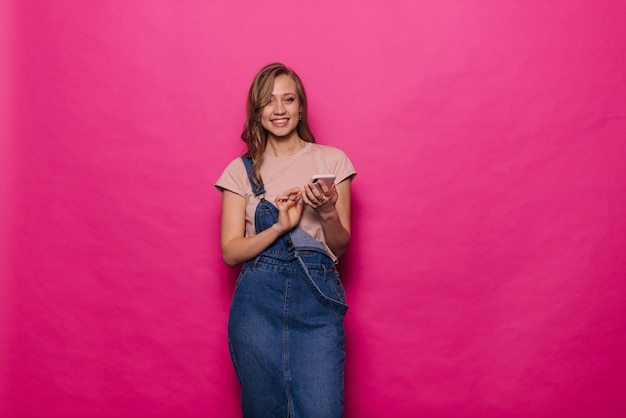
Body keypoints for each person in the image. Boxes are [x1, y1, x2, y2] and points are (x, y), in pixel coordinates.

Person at [215, 62, 356, 418]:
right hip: (257, 308)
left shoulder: (332, 160)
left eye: (288, 99)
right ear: (257, 110)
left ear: (300, 106)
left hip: (316, 304)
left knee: (322, 409)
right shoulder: (240, 170)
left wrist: (325, 212)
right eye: (269, 101)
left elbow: (339, 246)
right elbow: (231, 252)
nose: (279, 110)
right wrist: (279, 226)